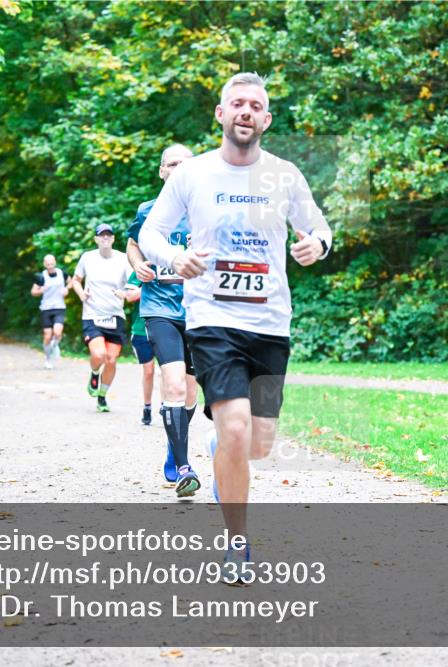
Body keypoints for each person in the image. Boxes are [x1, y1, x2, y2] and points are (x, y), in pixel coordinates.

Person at [139, 72, 332, 572]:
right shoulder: (193, 174)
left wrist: (317, 245)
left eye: (255, 106)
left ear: (265, 119)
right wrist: (175, 261)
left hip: (270, 323)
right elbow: (153, 233)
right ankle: (237, 543)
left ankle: (221, 443)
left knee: (259, 444)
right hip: (212, 320)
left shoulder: (284, 175)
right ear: (221, 114)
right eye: (237, 103)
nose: (245, 111)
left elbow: (318, 226)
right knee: (239, 429)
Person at [127, 144, 201, 495]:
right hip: (159, 309)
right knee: (172, 383)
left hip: (199, 312)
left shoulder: (208, 210)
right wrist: (137, 264)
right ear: (162, 171)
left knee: (189, 391)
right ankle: (185, 467)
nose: (179, 169)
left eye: (186, 164)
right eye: (172, 163)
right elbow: (132, 244)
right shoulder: (148, 211)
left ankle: (175, 451)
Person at [72, 224, 132, 412]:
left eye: (109, 235)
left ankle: (102, 396)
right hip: (92, 314)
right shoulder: (87, 257)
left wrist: (125, 293)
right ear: (96, 239)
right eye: (101, 235)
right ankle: (95, 373)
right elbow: (75, 280)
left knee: (112, 360)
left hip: (115, 315)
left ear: (113, 239)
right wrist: (81, 294)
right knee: (99, 355)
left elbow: (132, 285)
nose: (105, 238)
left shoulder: (123, 259)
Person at [124, 272, 156, 425]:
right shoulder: (142, 269)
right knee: (149, 371)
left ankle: (168, 407)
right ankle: (147, 407)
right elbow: (129, 297)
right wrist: (155, 287)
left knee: (167, 371)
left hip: (167, 328)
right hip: (141, 329)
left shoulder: (174, 265)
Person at [31, 255, 72, 369]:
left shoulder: (62, 273)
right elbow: (33, 292)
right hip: (46, 308)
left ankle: (55, 345)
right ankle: (48, 359)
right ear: (44, 264)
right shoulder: (41, 277)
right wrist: (41, 290)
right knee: (47, 336)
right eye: (47, 263)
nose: (50, 265)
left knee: (58, 333)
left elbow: (71, 282)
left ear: (55, 262)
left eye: (51, 262)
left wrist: (67, 289)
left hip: (59, 307)